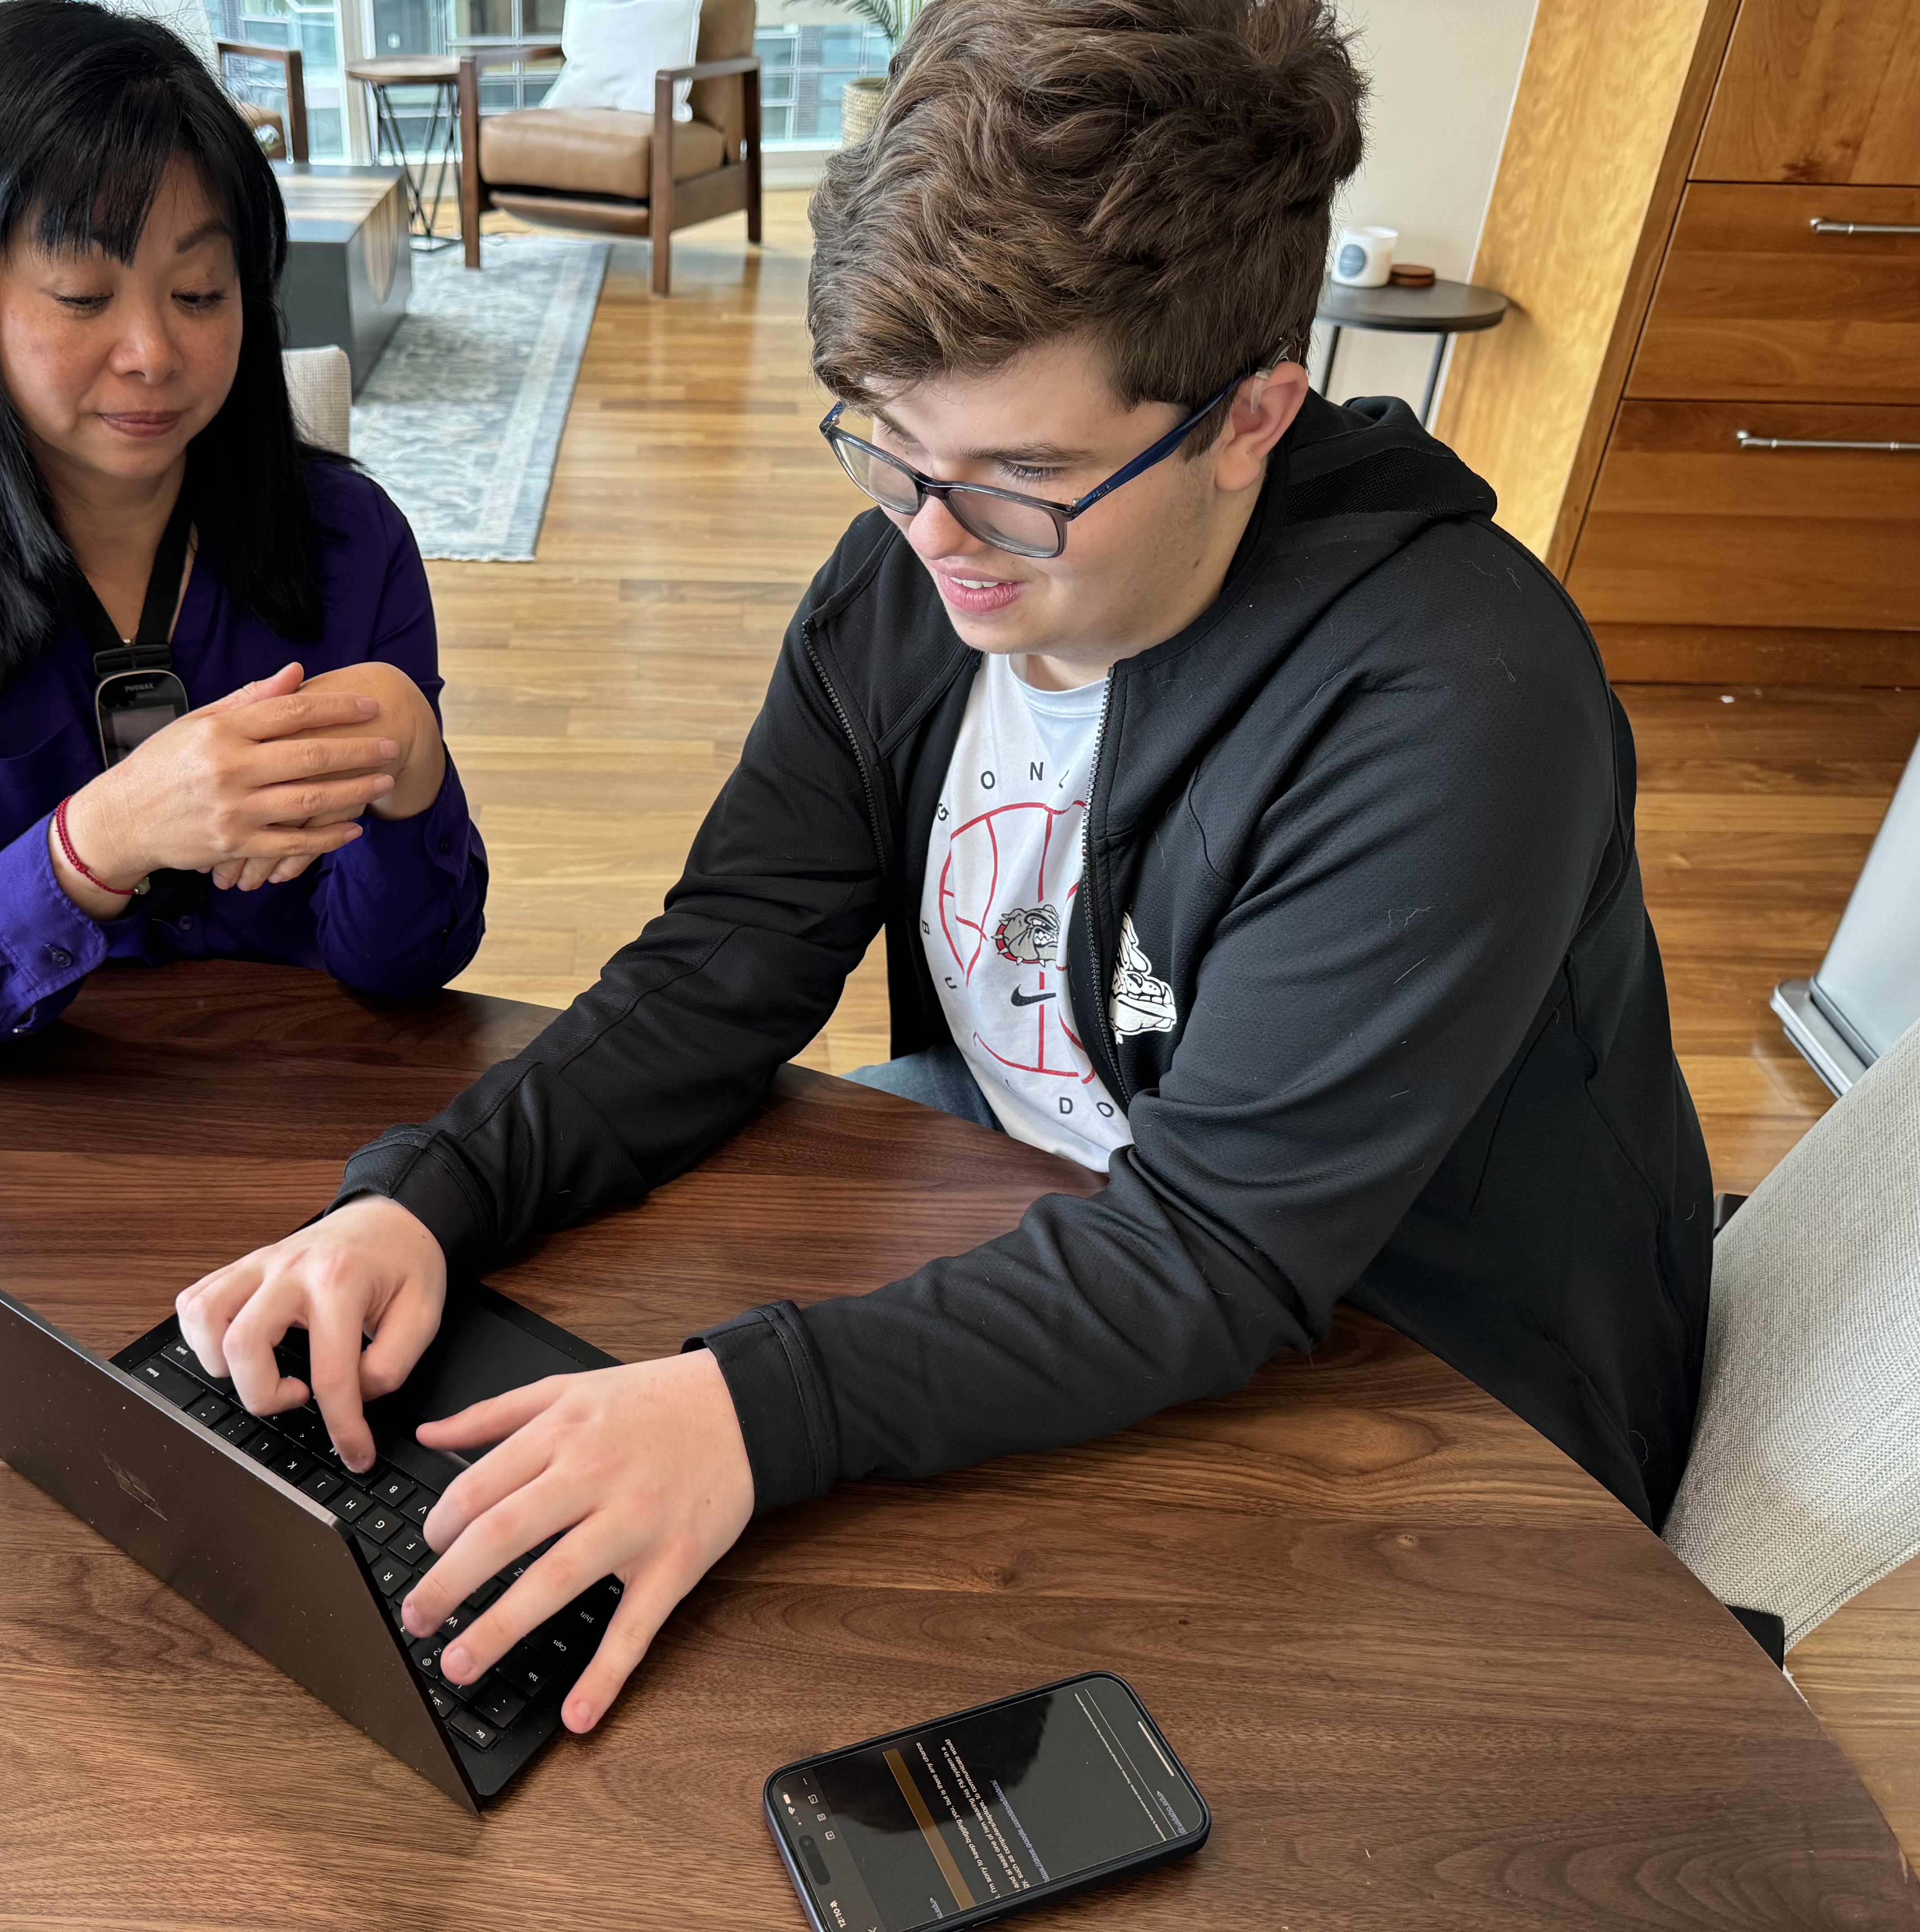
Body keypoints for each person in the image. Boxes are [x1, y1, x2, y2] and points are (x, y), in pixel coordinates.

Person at [179, 0, 1712, 1741]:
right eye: (892, 448)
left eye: (1024, 477)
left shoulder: (1453, 706)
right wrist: (425, 1193)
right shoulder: (905, 570)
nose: (933, 540)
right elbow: (723, 966)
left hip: (1429, 1372)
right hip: (1052, 1212)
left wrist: (755, 1408)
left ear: (1250, 415)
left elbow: (1213, 1251)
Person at [0, 0, 486, 1068]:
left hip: (303, 1114)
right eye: (83, 294)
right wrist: (101, 840)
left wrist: (409, 762)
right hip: (26, 1135)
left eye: (200, 291)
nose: (153, 351)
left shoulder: (351, 539)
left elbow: (407, 967)